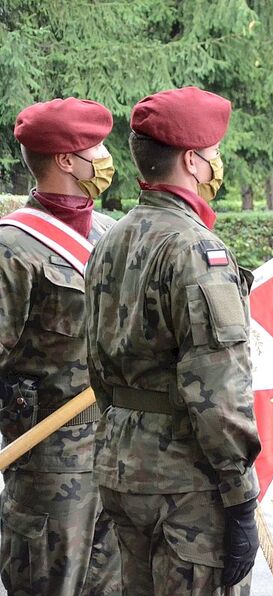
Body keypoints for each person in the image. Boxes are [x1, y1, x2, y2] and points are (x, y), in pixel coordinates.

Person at [84, 86, 260, 595]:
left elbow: (94, 362)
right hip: (185, 482)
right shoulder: (197, 250)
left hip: (121, 464)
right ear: (192, 161)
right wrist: (240, 492)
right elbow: (218, 389)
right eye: (212, 154)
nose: (216, 164)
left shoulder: (111, 237)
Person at [0, 98, 122, 595]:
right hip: (48, 462)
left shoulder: (112, 234)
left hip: (118, 454)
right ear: (67, 161)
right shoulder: (12, 248)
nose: (106, 158)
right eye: (97, 148)